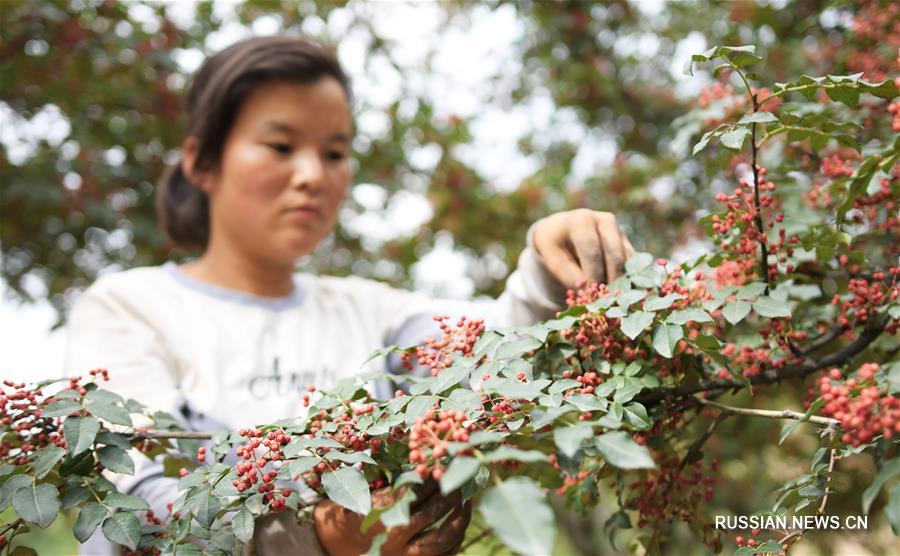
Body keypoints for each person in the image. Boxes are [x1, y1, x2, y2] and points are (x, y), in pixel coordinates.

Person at [64, 36, 635, 555]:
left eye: (335, 153)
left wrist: (546, 262)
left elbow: (489, 351)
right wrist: (324, 533)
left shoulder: (372, 313)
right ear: (201, 163)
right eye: (281, 145)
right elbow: (137, 513)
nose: (313, 174)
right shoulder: (129, 308)